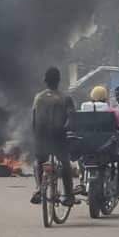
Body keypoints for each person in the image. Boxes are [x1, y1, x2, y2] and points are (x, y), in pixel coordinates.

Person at [31, 67, 75, 206]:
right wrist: (68, 130)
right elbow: (72, 118)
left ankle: (39, 188)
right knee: (65, 164)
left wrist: (35, 135)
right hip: (59, 136)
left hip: (41, 137)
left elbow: (33, 119)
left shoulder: (38, 97)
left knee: (39, 161)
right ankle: (69, 195)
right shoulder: (65, 98)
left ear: (45, 81)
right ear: (59, 80)